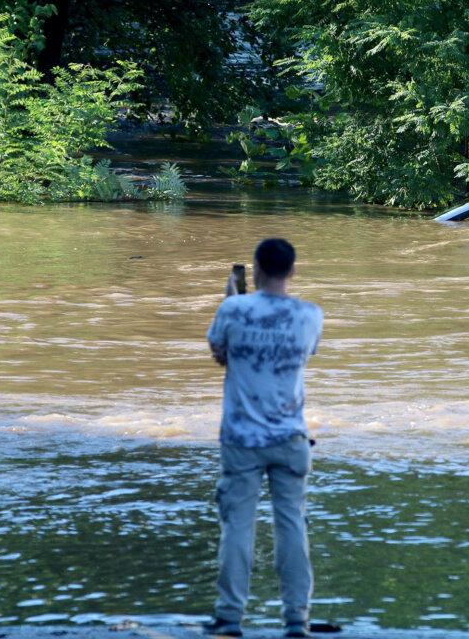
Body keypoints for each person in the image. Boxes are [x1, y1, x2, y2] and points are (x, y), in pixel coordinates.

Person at [204, 238, 324, 638]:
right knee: (292, 526)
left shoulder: (233, 308)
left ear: (255, 268)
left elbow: (221, 356)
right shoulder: (310, 315)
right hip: (290, 437)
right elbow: (301, 356)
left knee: (237, 527)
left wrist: (230, 299)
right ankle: (296, 620)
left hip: (241, 439)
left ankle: (229, 618)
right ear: (292, 271)